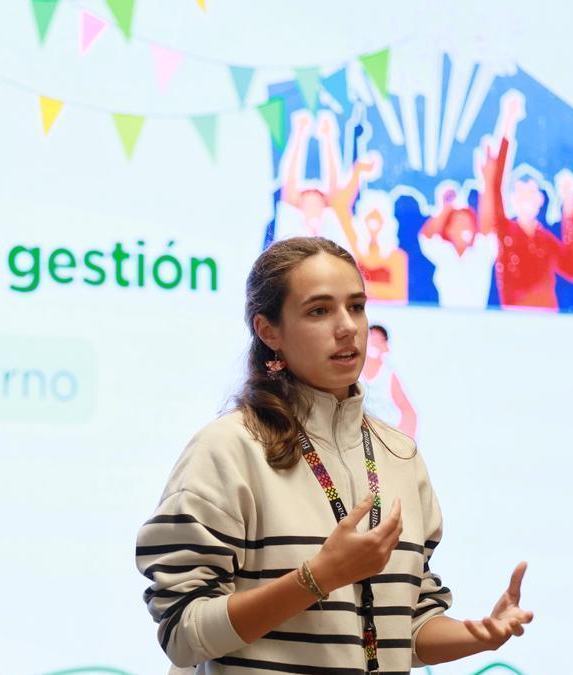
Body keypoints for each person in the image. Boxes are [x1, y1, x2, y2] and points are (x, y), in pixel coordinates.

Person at [136, 237, 533, 673]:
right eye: (319, 311)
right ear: (269, 331)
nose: (347, 327)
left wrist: (481, 634)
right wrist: (317, 577)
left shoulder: (399, 456)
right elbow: (182, 632)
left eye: (357, 307)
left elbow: (409, 625)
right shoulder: (228, 449)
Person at [478, 91, 573, 310]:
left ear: (540, 200)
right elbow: (496, 181)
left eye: (531, 192)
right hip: (514, 318)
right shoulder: (505, 232)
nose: (525, 197)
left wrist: (568, 203)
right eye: (520, 192)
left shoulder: (546, 241)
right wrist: (508, 120)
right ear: (512, 199)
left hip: (547, 320)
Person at [274, 110, 380, 253]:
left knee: (333, 200)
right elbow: (290, 182)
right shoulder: (298, 219)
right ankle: (320, 134)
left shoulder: (301, 217)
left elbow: (290, 182)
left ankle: (319, 134)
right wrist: (306, 134)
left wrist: (306, 134)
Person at [418, 182, 499, 309]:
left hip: (477, 321)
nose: (465, 227)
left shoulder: (482, 254)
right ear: (449, 230)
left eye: (468, 223)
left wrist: (487, 181)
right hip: (447, 319)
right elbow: (425, 237)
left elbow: (487, 226)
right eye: (459, 223)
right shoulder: (445, 254)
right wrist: (447, 207)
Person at [361, 324, 418, 438]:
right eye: (371, 339)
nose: (374, 344)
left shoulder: (388, 374)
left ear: (386, 346)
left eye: (379, 341)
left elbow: (408, 411)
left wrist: (405, 443)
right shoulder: (354, 370)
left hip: (386, 434)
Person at [352, 190, 409, 302]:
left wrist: (367, 289)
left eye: (378, 216)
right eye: (369, 215)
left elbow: (399, 294)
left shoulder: (397, 256)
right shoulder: (354, 253)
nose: (374, 220)